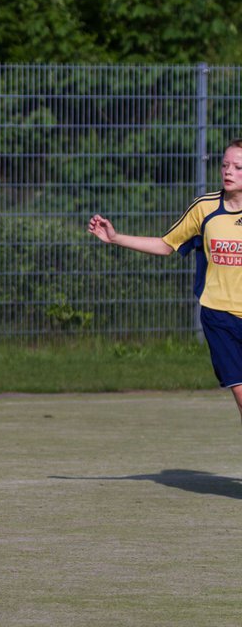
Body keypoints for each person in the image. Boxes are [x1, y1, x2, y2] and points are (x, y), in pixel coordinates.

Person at [89, 139, 242, 425]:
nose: (228, 171)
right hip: (220, 316)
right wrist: (115, 238)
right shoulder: (205, 208)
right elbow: (165, 245)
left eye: (237, 166)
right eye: (225, 165)